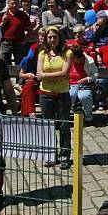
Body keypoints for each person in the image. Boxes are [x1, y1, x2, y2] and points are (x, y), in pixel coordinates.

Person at [37, 25, 72, 170]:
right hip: (46, 94)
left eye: (55, 37)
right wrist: (47, 76)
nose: (52, 40)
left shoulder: (67, 53)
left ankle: (64, 154)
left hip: (62, 94)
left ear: (59, 38)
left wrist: (46, 75)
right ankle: (51, 154)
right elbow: (39, 74)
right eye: (49, 37)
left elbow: (65, 73)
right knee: (48, 125)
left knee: (64, 125)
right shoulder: (42, 54)